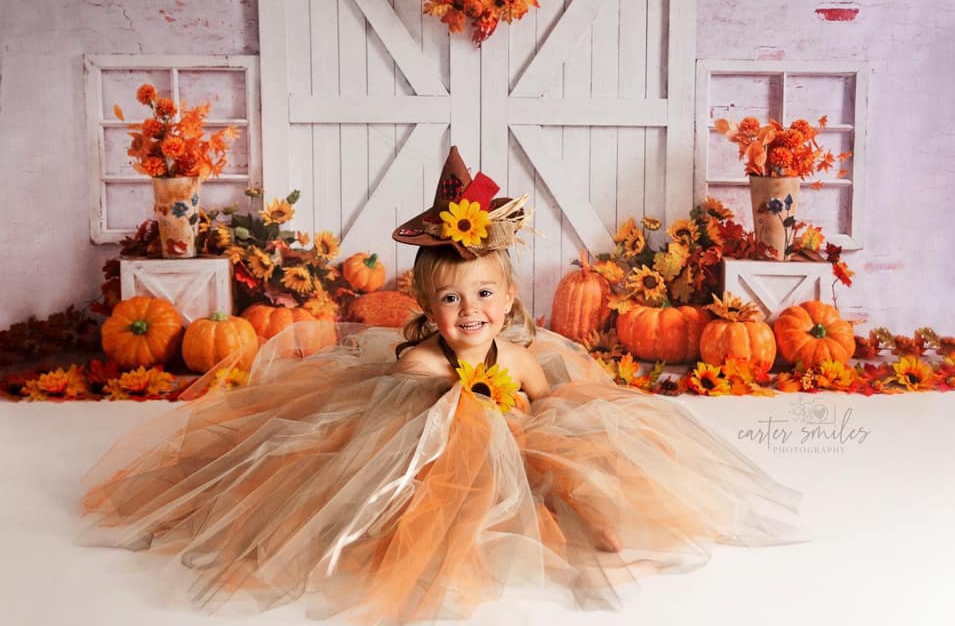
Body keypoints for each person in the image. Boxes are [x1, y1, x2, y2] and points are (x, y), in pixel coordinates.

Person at [80, 147, 802, 625]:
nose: (470, 314)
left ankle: (589, 520)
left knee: (576, 461)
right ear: (427, 307)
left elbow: (556, 405)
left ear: (511, 296)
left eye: (485, 296)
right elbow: (418, 440)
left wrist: (571, 441)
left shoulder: (518, 353)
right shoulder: (419, 365)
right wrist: (494, 416)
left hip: (520, 444)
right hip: (421, 465)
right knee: (432, 482)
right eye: (451, 301)